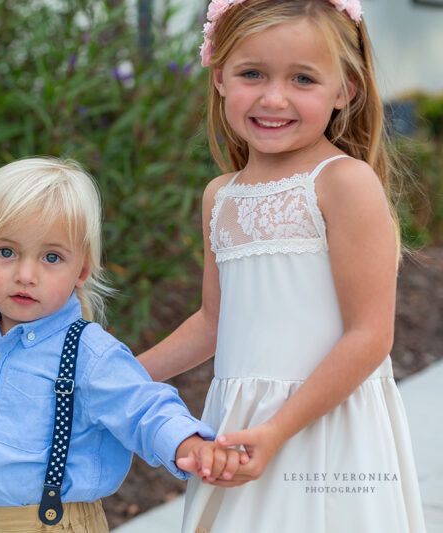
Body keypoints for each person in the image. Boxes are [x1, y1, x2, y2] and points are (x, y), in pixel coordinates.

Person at [137, 1, 427, 532]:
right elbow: (212, 322)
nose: (274, 98)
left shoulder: (343, 183)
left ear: (347, 90)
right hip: (239, 429)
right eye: (252, 74)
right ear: (220, 76)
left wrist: (278, 429)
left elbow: (370, 336)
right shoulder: (220, 196)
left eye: (303, 79)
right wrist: (123, 378)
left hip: (323, 428)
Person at [0, 157, 247, 532]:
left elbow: (142, 405)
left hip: (54, 524)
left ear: (82, 271)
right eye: (6, 252)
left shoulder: (87, 353)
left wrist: (187, 444)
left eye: (51, 257)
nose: (25, 275)